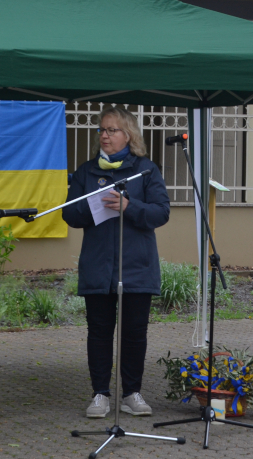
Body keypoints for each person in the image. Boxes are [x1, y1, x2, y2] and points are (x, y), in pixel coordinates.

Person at [62, 105, 170, 419]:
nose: (105, 136)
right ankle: (100, 394)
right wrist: (93, 207)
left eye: (112, 130)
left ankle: (132, 393)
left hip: (136, 266)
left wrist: (128, 205)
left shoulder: (146, 169)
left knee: (134, 334)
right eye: (102, 130)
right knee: (98, 333)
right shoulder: (87, 171)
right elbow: (69, 213)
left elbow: (161, 213)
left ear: (129, 135)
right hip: (98, 267)